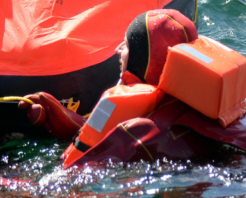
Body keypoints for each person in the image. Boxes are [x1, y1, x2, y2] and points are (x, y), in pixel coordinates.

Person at [19, 9, 214, 166]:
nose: (118, 49)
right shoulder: (203, 103)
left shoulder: (141, 130)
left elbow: (71, 172)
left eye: (127, 44)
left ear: (144, 60)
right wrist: (76, 127)